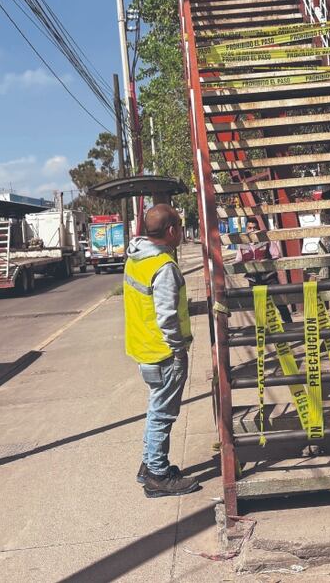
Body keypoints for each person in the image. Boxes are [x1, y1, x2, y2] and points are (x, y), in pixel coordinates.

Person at [124, 204, 200, 498]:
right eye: (180, 226)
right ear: (171, 230)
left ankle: (150, 466)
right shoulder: (163, 267)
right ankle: (157, 476)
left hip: (145, 350)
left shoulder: (135, 259)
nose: (180, 232)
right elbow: (167, 316)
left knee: (156, 409)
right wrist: (178, 348)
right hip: (164, 353)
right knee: (162, 414)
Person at [234, 217, 293, 323]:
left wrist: (266, 262)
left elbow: (276, 255)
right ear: (246, 229)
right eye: (250, 228)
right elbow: (238, 259)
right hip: (253, 280)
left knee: (280, 303)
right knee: (259, 306)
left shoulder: (266, 241)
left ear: (258, 228)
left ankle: (289, 325)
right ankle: (263, 329)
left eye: (254, 228)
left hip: (269, 277)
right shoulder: (241, 244)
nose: (252, 230)